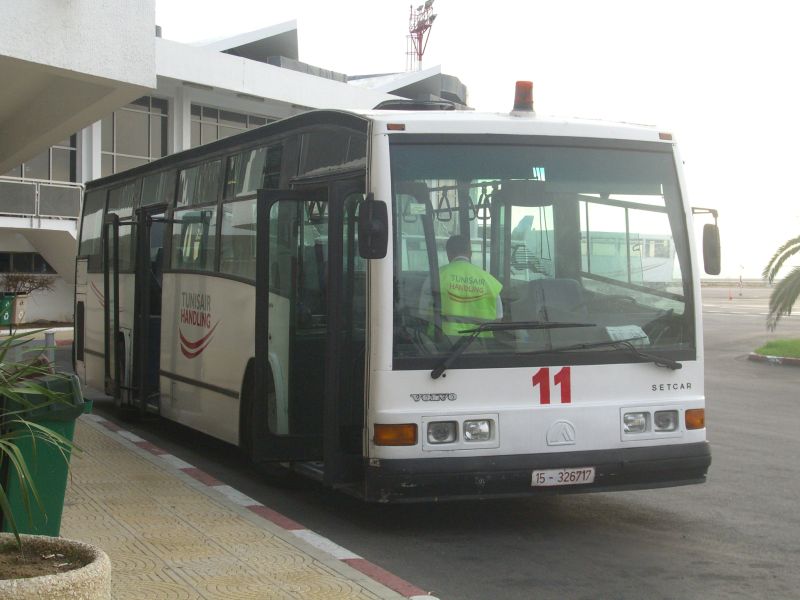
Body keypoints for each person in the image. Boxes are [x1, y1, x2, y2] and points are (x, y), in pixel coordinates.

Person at [428, 234, 503, 336]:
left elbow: (422, 312)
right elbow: (498, 318)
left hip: (443, 341)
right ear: (470, 253)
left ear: (448, 253)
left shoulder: (436, 277)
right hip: (481, 342)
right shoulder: (490, 281)